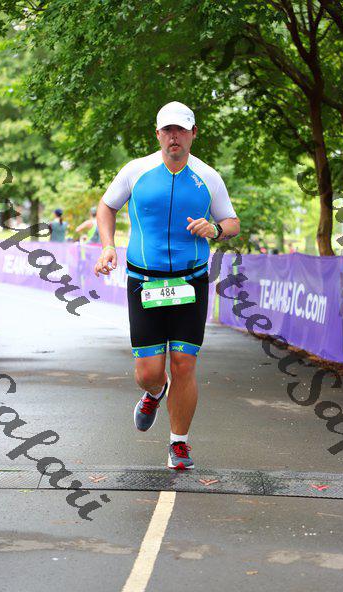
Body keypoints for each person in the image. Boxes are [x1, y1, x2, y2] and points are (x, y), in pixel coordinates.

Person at [94, 101, 240, 469]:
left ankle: (179, 444)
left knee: (184, 363)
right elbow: (106, 207)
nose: (174, 136)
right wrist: (108, 246)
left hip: (191, 282)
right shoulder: (136, 171)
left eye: (181, 130)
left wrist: (215, 229)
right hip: (145, 282)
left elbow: (232, 222)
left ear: (193, 134)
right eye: (168, 130)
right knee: (148, 373)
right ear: (158, 134)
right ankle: (155, 392)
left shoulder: (208, 177)